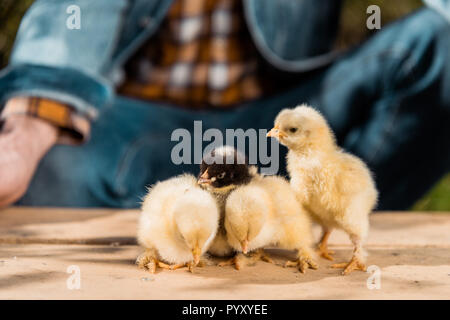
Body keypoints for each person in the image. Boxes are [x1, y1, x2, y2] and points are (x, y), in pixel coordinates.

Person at [0, 0, 449, 209]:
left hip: (283, 125)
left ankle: (327, 221)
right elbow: (73, 15)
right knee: (47, 168)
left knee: (443, 41)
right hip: (141, 135)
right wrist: (27, 131)